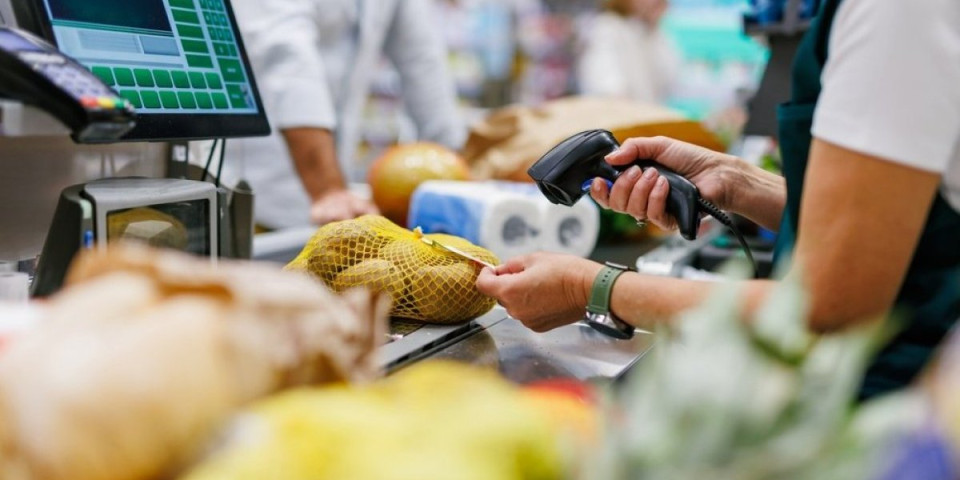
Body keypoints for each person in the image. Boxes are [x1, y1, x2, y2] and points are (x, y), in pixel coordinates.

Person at [478, 0, 960, 400]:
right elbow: (885, 220)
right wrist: (734, 181)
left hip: (895, 408)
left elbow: (821, 313)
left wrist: (590, 289)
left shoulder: (895, 12)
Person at [223, 0, 466, 229]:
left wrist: (459, 176)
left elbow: (422, 60)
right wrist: (328, 191)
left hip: (336, 195)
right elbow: (287, 56)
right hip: (261, 199)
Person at [576, 0, 679, 105]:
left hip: (644, 113)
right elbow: (605, 84)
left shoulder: (651, 33)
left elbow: (669, 80)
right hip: (623, 115)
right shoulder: (607, 27)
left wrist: (653, 27)